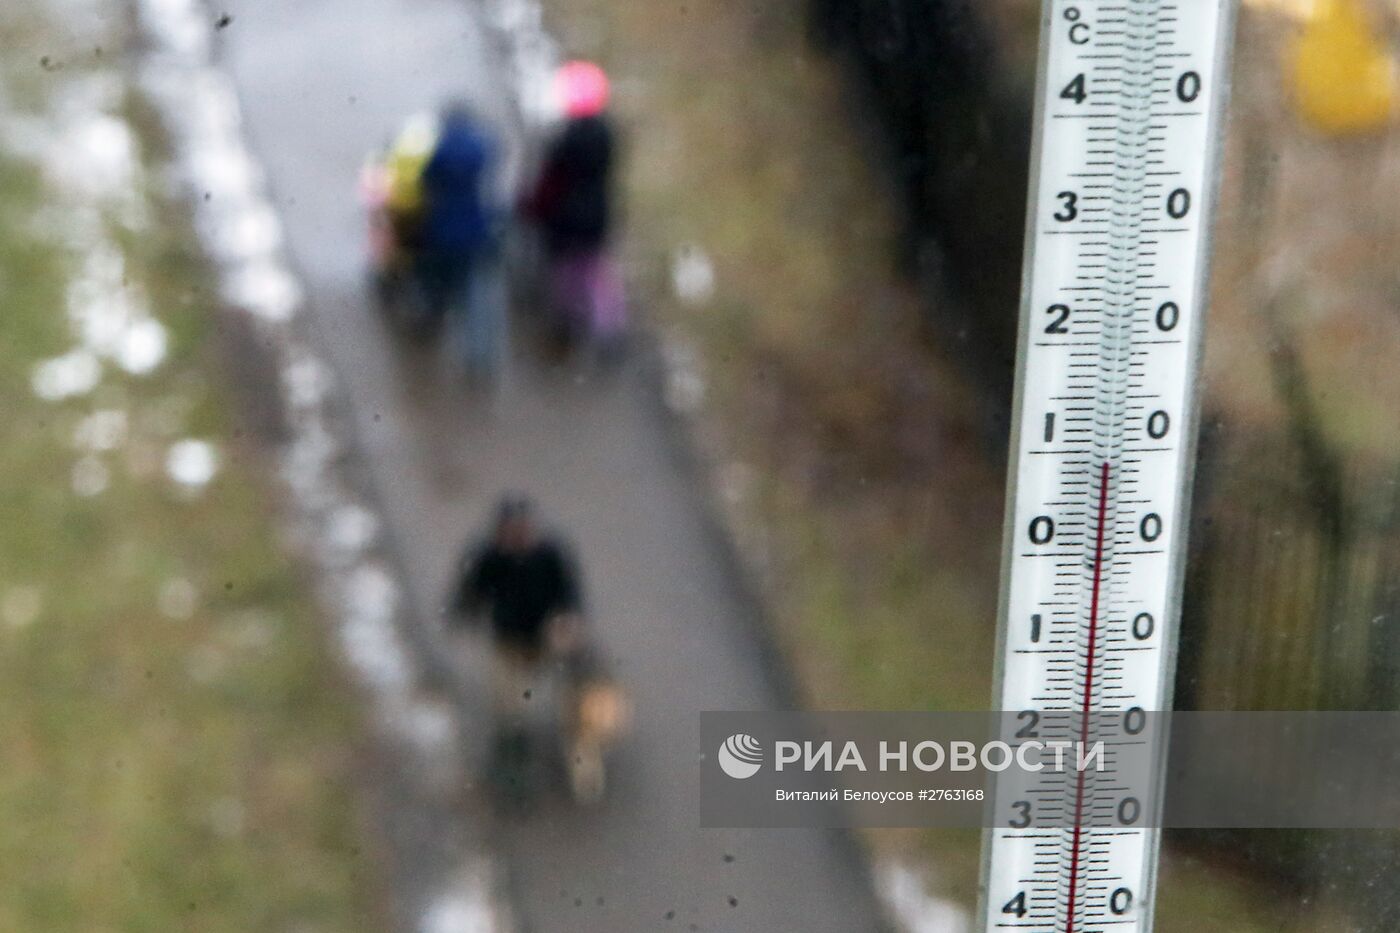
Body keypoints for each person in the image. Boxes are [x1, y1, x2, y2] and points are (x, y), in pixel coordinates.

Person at [449, 496, 585, 743]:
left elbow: (569, 592)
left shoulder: (549, 555)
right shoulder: (490, 558)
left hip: (546, 635)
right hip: (508, 641)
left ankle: (575, 730)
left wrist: (569, 619)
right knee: (508, 701)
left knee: (572, 684)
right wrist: (461, 614)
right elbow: (471, 591)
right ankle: (512, 742)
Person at [520, 61, 626, 349]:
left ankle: (570, 325)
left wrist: (531, 207)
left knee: (567, 273)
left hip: (565, 218)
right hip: (597, 214)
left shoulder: (564, 140)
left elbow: (551, 183)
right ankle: (608, 330)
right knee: (595, 270)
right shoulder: (606, 134)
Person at [418, 103, 505, 375]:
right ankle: (479, 358)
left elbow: (426, 180)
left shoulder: (441, 150)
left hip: (442, 232)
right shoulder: (481, 148)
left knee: (439, 286)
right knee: (476, 298)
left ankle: (429, 324)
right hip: (476, 233)